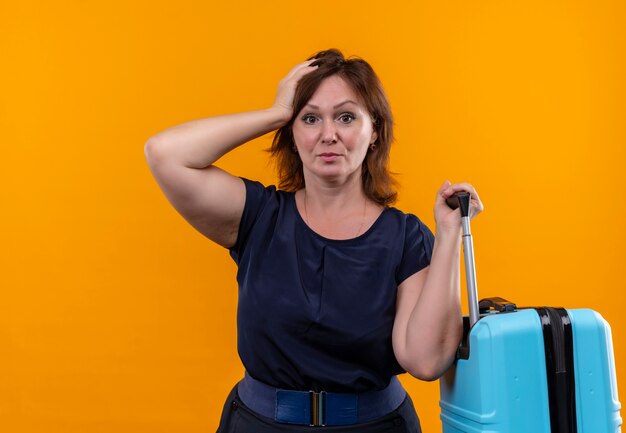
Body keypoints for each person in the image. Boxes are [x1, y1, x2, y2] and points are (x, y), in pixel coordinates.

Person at [144, 49, 483, 433]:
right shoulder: (259, 216)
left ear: (374, 132)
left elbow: (425, 361)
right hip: (258, 425)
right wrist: (275, 113)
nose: (328, 134)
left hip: (375, 426)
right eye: (310, 118)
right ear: (292, 134)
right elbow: (165, 153)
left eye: (346, 117)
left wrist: (449, 234)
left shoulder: (406, 237)